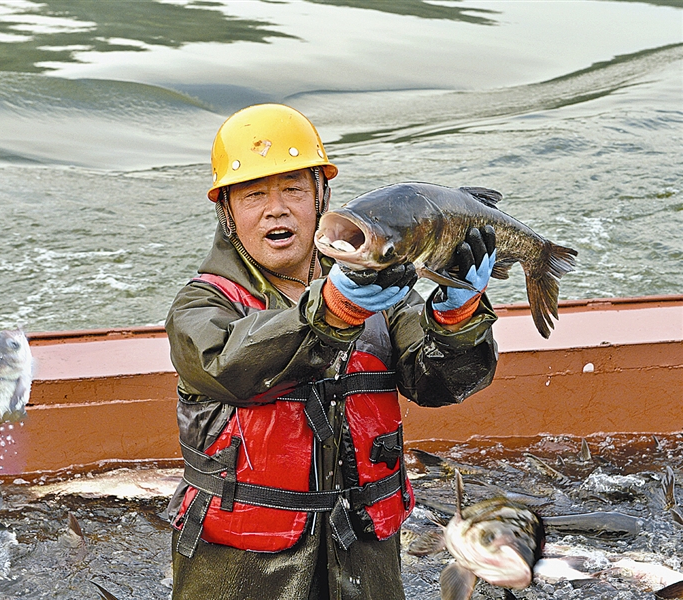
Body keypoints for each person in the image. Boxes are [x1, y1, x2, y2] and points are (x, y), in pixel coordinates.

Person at [164, 103, 499, 600]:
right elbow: (231, 364)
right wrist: (333, 310)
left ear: (322, 197)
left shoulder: (382, 289)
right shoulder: (201, 306)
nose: (276, 208)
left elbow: (442, 382)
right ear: (227, 213)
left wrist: (458, 316)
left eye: (293, 190)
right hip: (243, 572)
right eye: (254, 194)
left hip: (364, 562)